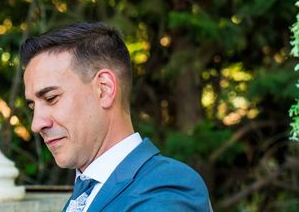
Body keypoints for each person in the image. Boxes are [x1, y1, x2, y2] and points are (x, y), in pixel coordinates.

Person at [21, 22, 212, 212]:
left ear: (104, 89)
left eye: (51, 98)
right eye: (32, 106)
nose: (36, 124)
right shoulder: (84, 194)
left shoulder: (167, 188)